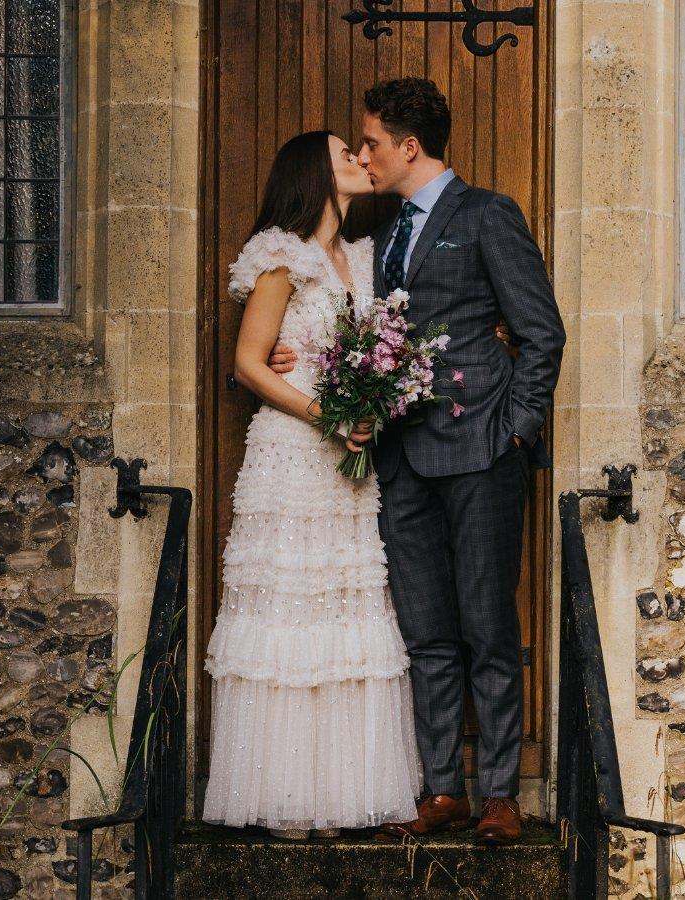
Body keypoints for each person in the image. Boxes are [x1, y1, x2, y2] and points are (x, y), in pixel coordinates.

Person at [269, 78, 566, 846]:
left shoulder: (487, 214)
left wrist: (516, 432)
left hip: (479, 453)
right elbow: (357, 324)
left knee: (487, 627)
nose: (362, 154)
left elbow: (542, 333)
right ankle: (443, 792)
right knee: (427, 635)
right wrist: (293, 357)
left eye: (369, 141)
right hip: (400, 459)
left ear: (408, 146)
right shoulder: (385, 236)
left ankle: (499, 794)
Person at [201, 129, 421, 840]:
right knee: (291, 612)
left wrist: (367, 407)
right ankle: (288, 795)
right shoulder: (280, 255)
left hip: (345, 465)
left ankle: (342, 793)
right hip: (293, 454)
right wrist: (324, 412)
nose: (361, 160)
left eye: (361, 151)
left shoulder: (359, 257)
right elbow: (249, 363)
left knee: (343, 612)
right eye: (345, 155)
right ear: (312, 175)